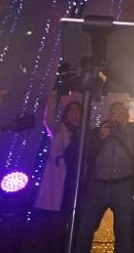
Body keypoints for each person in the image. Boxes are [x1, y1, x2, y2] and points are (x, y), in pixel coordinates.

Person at [72, 99, 134, 253]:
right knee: (84, 228)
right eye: (115, 113)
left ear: (127, 116)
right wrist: (100, 137)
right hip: (97, 186)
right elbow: (84, 153)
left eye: (122, 113)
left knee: (124, 232)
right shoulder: (98, 131)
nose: (118, 117)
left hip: (123, 187)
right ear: (109, 115)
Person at [33, 89, 82, 249]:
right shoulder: (59, 129)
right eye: (72, 111)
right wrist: (53, 99)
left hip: (75, 179)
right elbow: (48, 120)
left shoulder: (84, 133)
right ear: (66, 114)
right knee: (54, 222)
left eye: (78, 111)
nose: (75, 114)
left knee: (69, 221)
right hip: (58, 178)